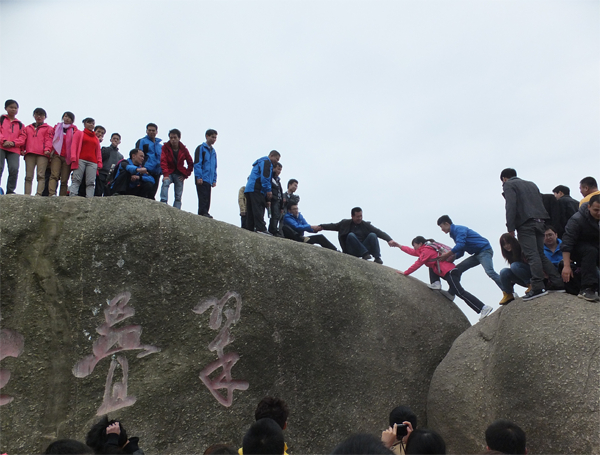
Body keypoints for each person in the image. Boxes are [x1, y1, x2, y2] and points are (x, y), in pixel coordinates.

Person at [500, 168, 565, 300]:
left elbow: (510, 205)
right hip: (540, 221)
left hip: (525, 223)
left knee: (532, 255)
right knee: (540, 254)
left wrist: (510, 227)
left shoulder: (509, 185)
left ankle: (537, 287)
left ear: (504, 178)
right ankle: (558, 283)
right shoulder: (531, 184)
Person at [398, 236, 493, 320]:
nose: (413, 247)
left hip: (449, 273)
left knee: (460, 292)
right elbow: (412, 251)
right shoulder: (426, 249)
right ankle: (438, 284)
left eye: (414, 245)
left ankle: (483, 308)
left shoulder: (426, 250)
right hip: (447, 272)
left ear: (420, 244)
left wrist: (405, 273)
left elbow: (418, 263)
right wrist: (399, 246)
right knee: (431, 265)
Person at [436, 215, 504, 294]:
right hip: (477, 254)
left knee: (490, 272)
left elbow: (460, 245)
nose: (441, 229)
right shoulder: (454, 233)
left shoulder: (459, 230)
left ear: (447, 224)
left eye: (441, 226)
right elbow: (461, 252)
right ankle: (452, 292)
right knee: (458, 269)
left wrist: (447, 254)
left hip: (484, 250)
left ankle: (509, 290)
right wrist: (451, 258)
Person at [319, 207, 400, 264]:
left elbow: (378, 232)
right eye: (357, 216)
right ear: (352, 216)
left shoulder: (365, 225)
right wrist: (321, 226)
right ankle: (365, 254)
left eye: (361, 216)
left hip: (364, 248)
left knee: (373, 235)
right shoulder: (345, 223)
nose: (360, 218)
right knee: (351, 235)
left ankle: (377, 257)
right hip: (351, 250)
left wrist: (389, 240)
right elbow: (333, 226)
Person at [561, 194, 600, 302]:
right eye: (596, 210)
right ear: (589, 207)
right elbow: (567, 242)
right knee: (590, 251)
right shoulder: (577, 219)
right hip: (576, 249)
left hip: (595, 246)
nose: (599, 213)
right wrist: (566, 266)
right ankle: (587, 289)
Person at [244, 150, 281, 233]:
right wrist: (268, 190)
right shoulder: (267, 162)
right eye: (276, 159)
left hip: (249, 188)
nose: (277, 161)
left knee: (250, 210)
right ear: (271, 155)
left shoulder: (259, 162)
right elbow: (265, 177)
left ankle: (249, 228)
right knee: (258, 208)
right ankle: (261, 228)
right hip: (256, 188)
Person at [21, 107, 53, 196]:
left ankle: (38, 194)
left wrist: (47, 149)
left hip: (42, 154)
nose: (39, 117)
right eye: (37, 114)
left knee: (41, 175)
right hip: (29, 153)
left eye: (41, 115)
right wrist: (22, 149)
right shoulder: (28, 128)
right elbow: (24, 139)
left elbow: (49, 140)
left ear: (45, 117)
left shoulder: (48, 128)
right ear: (34, 115)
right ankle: (27, 194)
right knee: (28, 176)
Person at [69, 118, 102, 198]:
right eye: (89, 123)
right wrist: (73, 157)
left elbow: (98, 151)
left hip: (92, 162)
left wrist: (99, 162)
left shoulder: (95, 138)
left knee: (91, 182)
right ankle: (73, 195)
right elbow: (74, 145)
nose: (91, 125)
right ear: (84, 124)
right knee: (77, 179)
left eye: (93, 123)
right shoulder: (79, 133)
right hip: (81, 159)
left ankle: (89, 198)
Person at [160, 128, 193, 209]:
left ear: (179, 138)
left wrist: (185, 175)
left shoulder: (184, 149)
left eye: (175, 137)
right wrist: (166, 175)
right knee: (165, 183)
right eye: (171, 138)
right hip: (169, 172)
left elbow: (190, 163)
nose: (173, 140)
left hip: (179, 173)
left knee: (178, 195)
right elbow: (163, 161)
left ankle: (177, 209)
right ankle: (163, 202)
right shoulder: (165, 147)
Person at [49, 111, 78, 196]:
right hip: (57, 154)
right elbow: (51, 139)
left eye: (69, 117)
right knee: (54, 175)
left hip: (67, 157)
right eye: (65, 116)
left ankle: (62, 196)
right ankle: (52, 193)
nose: (67, 118)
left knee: (64, 179)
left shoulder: (74, 130)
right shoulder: (57, 127)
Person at [0, 99, 26, 194]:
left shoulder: (20, 124)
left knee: (14, 169)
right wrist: (4, 141)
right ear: (6, 108)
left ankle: (10, 190)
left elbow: (23, 137)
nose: (13, 109)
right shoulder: (1, 119)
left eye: (15, 108)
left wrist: (13, 143)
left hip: (14, 149)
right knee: (0, 167)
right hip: (1, 147)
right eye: (11, 107)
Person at [498, 233, 531, 305]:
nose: (506, 246)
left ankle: (531, 284)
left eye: (508, 243)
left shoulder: (522, 249)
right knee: (504, 272)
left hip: (532, 276)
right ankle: (508, 294)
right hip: (522, 278)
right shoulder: (510, 255)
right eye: (504, 245)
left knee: (514, 266)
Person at [194, 129, 218, 217]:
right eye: (212, 137)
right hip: (202, 177)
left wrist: (214, 179)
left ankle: (206, 212)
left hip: (209, 179)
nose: (214, 139)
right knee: (202, 196)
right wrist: (198, 176)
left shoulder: (213, 151)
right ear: (207, 136)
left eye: (215, 137)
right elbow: (197, 163)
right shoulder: (201, 148)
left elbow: (214, 166)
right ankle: (202, 212)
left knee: (208, 197)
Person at [135, 123, 162, 199]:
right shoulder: (142, 141)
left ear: (156, 132)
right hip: (146, 170)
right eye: (149, 130)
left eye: (153, 130)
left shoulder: (160, 146)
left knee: (152, 193)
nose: (151, 132)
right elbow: (137, 155)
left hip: (157, 172)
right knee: (146, 189)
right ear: (146, 131)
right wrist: (140, 168)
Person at [268, 162, 284, 236]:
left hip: (278, 201)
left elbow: (280, 192)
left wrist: (282, 206)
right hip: (273, 199)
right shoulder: (270, 178)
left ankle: (274, 229)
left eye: (280, 170)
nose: (279, 171)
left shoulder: (278, 180)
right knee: (274, 215)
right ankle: (272, 230)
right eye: (278, 169)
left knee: (277, 216)